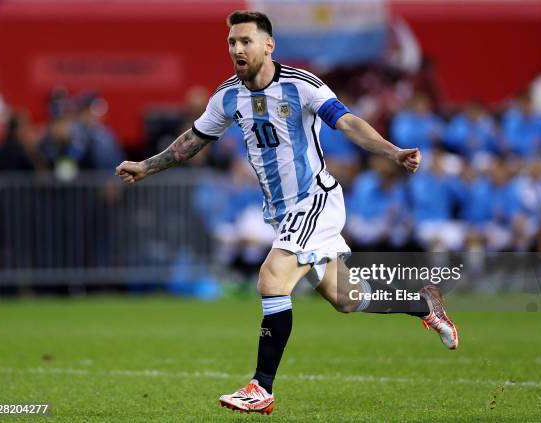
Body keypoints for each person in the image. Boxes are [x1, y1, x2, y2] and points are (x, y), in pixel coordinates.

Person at [115, 10, 458, 415]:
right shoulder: (228, 96)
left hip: (314, 200)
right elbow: (191, 141)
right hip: (281, 213)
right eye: (231, 42)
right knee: (347, 299)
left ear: (268, 45)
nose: (237, 49)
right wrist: (145, 166)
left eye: (245, 41)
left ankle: (261, 387)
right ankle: (423, 305)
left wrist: (393, 151)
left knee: (272, 277)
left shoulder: (302, 86)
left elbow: (347, 123)